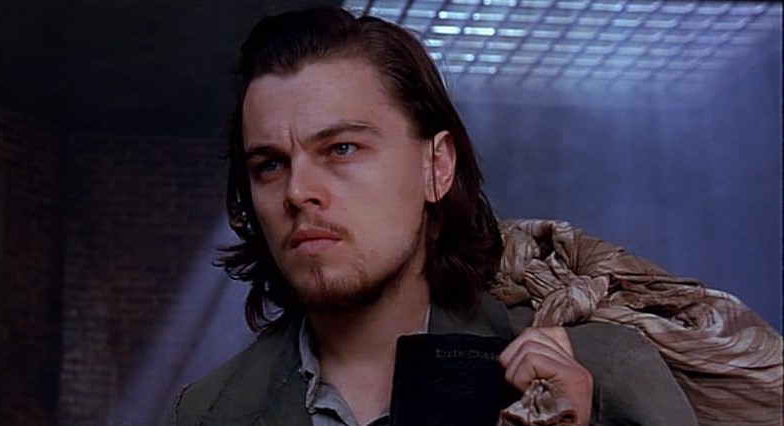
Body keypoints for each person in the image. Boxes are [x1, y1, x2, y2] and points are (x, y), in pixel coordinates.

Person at [169, 6, 699, 426]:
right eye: (269, 164)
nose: (298, 191)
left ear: (436, 166)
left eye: (342, 148)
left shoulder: (600, 372)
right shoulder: (205, 413)